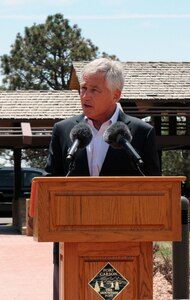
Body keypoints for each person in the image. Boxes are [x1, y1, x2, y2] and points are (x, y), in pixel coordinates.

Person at [45, 57, 160, 300]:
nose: (85, 96)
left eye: (94, 90)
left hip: (126, 246)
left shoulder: (140, 132)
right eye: (83, 89)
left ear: (116, 94)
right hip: (72, 242)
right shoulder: (64, 130)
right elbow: (49, 181)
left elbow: (153, 188)